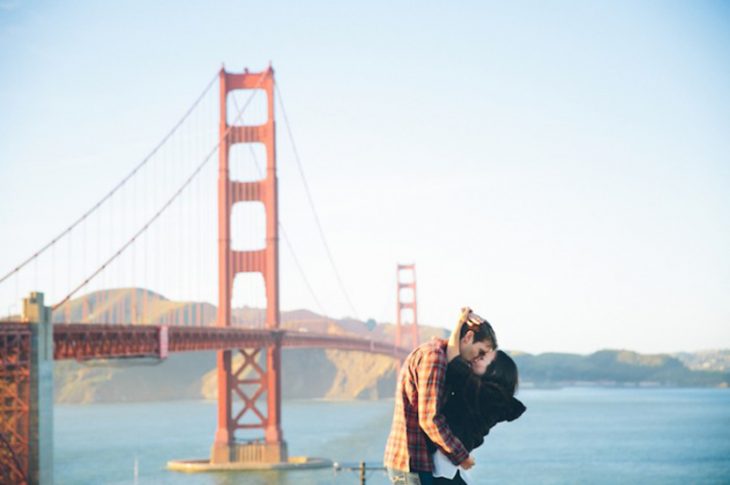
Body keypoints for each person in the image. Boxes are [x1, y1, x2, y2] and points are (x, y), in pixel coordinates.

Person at [384, 307, 498, 484]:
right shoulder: (434, 357)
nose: (478, 359)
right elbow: (430, 419)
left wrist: (461, 321)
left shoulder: (443, 356)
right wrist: (460, 456)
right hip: (412, 464)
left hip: (422, 461)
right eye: (481, 351)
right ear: (467, 338)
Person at [431, 349, 526, 484]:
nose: (475, 359)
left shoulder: (481, 393)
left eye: (482, 359)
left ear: (494, 371)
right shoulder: (495, 398)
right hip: (451, 461)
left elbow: (454, 365)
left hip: (443, 463)